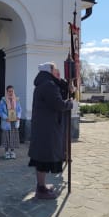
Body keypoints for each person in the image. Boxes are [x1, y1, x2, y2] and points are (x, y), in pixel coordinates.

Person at [28, 62, 73, 199]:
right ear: (49, 71)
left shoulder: (45, 83)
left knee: (42, 157)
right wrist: (69, 104)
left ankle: (41, 186)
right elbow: (58, 104)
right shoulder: (48, 85)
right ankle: (41, 189)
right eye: (54, 69)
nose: (56, 71)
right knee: (43, 159)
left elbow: (59, 92)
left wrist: (66, 87)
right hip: (47, 128)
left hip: (44, 127)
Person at [0, 85, 22, 159]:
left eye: (12, 91)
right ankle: (6, 152)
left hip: (14, 122)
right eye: (9, 91)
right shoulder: (3, 100)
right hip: (7, 122)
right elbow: (0, 110)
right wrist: (5, 117)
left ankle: (12, 151)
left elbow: (19, 109)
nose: (11, 93)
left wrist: (18, 116)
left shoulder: (16, 100)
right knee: (6, 137)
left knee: (13, 137)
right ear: (7, 92)